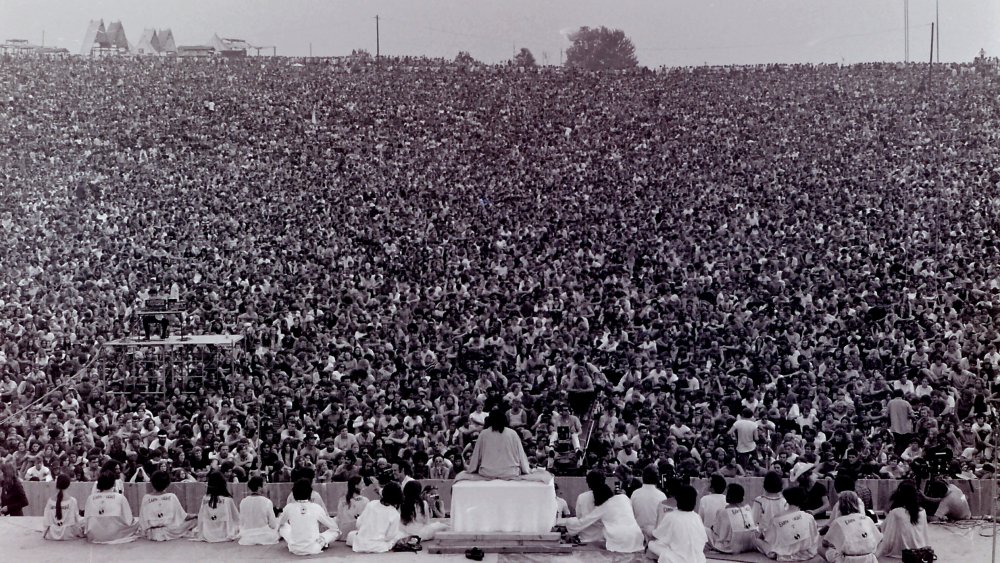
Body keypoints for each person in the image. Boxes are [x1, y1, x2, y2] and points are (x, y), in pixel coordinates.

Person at [560, 470, 644, 553]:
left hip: (618, 540)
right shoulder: (624, 497)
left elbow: (581, 522)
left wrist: (568, 523)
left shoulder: (602, 507)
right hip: (638, 537)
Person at [457, 409, 551, 482]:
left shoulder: (483, 434)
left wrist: (472, 469)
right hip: (510, 472)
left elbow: (476, 457)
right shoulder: (512, 433)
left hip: (488, 473)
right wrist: (526, 469)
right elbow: (521, 456)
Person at [753, 486, 819, 561]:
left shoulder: (776, 519)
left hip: (783, 554)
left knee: (757, 540)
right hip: (806, 553)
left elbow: (769, 539)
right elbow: (815, 536)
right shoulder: (809, 517)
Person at [277, 478, 340, 555]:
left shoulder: (289, 507)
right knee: (336, 531)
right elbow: (333, 527)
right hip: (314, 548)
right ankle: (320, 541)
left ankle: (297, 541)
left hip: (294, 548)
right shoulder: (316, 507)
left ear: (293, 493)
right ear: (310, 493)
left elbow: (281, 523)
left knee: (282, 526)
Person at [647, 484, 708, 563]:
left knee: (651, 544)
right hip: (699, 559)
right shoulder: (696, 517)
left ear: (677, 500)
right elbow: (703, 540)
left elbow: (656, 535)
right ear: (694, 502)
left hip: (677, 559)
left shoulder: (671, 516)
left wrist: (647, 531)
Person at [821, 491, 881, 563]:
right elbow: (879, 540)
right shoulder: (867, 519)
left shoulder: (838, 522)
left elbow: (825, 542)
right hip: (869, 559)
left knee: (821, 548)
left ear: (839, 505)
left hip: (847, 560)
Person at [347, 481, 407, 553]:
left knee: (351, 534)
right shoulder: (395, 514)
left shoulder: (371, 504)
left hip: (361, 544)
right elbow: (389, 537)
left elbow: (359, 524)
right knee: (399, 534)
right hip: (378, 546)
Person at [138, 470, 196, 541]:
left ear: (152, 483)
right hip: (170, 531)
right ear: (168, 484)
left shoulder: (146, 498)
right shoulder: (172, 496)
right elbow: (184, 516)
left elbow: (142, 520)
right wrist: (196, 515)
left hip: (151, 533)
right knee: (195, 520)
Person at [876, 481, 930, 558]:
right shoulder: (922, 511)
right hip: (920, 548)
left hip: (901, 550)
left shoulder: (896, 512)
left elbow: (883, 530)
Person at [83, 471, 139, 544]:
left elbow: (86, 519)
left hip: (95, 535)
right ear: (114, 483)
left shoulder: (90, 498)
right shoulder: (120, 497)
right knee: (138, 520)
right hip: (115, 533)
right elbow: (128, 520)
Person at [708, 484, 758, 555]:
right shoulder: (748, 508)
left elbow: (716, 531)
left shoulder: (723, 512)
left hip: (732, 547)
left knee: (706, 531)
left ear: (729, 495)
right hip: (750, 544)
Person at [192, 471, 240, 542]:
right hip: (224, 533)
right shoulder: (228, 500)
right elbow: (236, 518)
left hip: (207, 532)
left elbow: (201, 518)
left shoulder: (205, 498)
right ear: (223, 484)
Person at [238, 475, 280, 546]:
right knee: (282, 523)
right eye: (265, 485)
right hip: (265, 536)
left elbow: (242, 523)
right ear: (259, 488)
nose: (267, 487)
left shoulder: (243, 501)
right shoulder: (267, 501)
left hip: (247, 536)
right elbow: (273, 525)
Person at [42, 474, 84, 540]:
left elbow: (46, 520)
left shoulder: (50, 500)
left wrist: (44, 534)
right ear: (68, 485)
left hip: (52, 534)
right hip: (67, 534)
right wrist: (81, 533)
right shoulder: (72, 501)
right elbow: (76, 520)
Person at [630, 465, 666, 540]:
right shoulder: (662, 496)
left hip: (637, 533)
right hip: (653, 535)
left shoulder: (635, 493)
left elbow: (631, 516)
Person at [752, 471, 789, 541]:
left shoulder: (759, 501)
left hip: (765, 537)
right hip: (781, 537)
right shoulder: (784, 501)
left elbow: (753, 521)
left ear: (765, 484)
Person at [334, 475, 370, 540]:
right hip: (354, 532)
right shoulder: (365, 501)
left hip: (343, 532)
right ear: (356, 486)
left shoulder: (342, 499)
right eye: (362, 483)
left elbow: (339, 518)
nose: (364, 484)